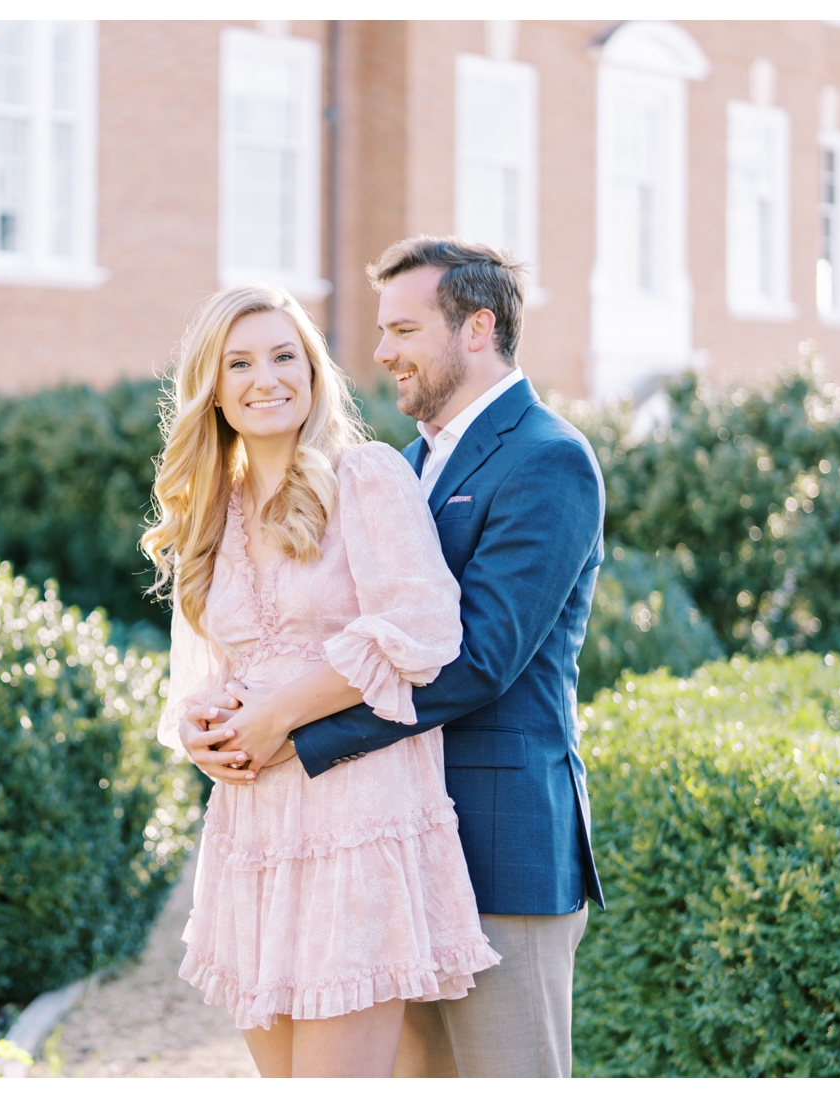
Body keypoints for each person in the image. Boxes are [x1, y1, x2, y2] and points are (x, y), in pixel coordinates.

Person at [180, 236, 606, 1078]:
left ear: (475, 329)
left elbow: (478, 659)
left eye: (404, 330)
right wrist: (220, 723)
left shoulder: (547, 459)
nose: (380, 352)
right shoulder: (402, 464)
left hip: (496, 838)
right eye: (381, 331)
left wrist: (290, 734)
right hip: (371, 837)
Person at [143, 282, 499, 1078]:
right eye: (239, 363)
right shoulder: (214, 510)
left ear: (313, 372)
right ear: (213, 386)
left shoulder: (365, 475)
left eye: (284, 356)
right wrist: (207, 733)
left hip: (356, 816)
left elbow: (425, 629)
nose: (265, 378)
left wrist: (276, 715)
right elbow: (207, 673)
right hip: (255, 834)